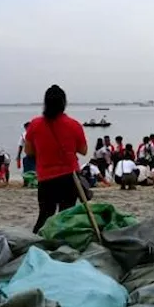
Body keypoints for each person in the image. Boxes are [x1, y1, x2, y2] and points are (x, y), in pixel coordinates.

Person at [24, 85, 88, 231]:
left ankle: (37, 244)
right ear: (64, 103)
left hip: (46, 178)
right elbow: (83, 151)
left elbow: (29, 151)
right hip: (69, 177)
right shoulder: (74, 125)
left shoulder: (35, 125)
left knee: (45, 215)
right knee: (66, 216)